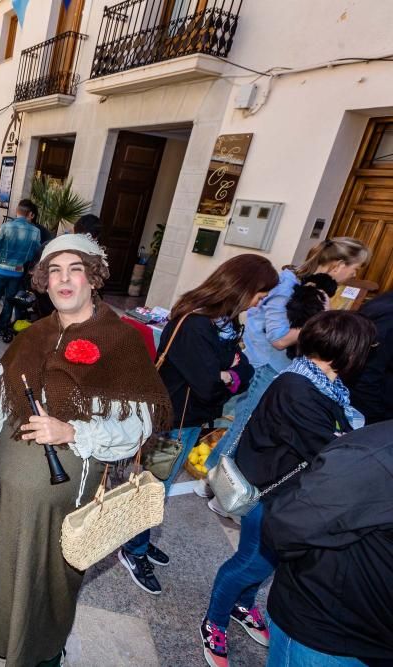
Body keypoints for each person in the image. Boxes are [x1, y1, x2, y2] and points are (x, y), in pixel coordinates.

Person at [0, 234, 171, 666]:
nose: (63, 279)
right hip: (16, 490)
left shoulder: (120, 340)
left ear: (93, 277)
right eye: (54, 270)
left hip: (68, 487)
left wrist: (72, 431)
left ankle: (40, 651)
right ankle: (8, 639)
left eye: (74, 269)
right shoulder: (37, 332)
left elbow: (137, 425)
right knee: (13, 563)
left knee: (52, 574)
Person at [199, 310, 374, 667]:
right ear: (345, 349)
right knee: (251, 563)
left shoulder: (321, 382)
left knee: (265, 563)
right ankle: (214, 620)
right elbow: (326, 447)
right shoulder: (299, 387)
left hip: (288, 493)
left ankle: (243, 605)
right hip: (271, 494)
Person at [119, 254, 278, 596]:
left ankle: (139, 540)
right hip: (170, 421)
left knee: (156, 484)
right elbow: (210, 383)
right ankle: (132, 549)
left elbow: (241, 368)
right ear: (243, 287)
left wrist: (229, 372)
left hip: (189, 420)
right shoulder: (196, 324)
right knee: (151, 487)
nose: (258, 304)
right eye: (259, 297)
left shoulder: (224, 324)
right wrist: (228, 372)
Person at [199, 237, 369, 507]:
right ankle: (215, 480)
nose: (355, 274)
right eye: (355, 268)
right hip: (268, 365)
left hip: (284, 367)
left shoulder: (314, 287)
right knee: (244, 425)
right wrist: (321, 325)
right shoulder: (287, 285)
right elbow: (278, 338)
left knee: (248, 425)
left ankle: (216, 477)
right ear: (338, 265)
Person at [262, 420, 393, 667]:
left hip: (373, 639)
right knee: (248, 566)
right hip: (329, 637)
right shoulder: (374, 459)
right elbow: (284, 526)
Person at [0, 199, 41, 337]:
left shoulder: (6, 227)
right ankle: (2, 327)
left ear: (17, 211)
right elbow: (35, 253)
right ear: (30, 214)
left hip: (1, 269)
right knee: (9, 300)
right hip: (18, 271)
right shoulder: (35, 231)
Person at [349, 290, 393, 424]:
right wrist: (378, 419)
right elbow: (366, 374)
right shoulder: (389, 317)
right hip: (373, 412)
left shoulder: (385, 300)